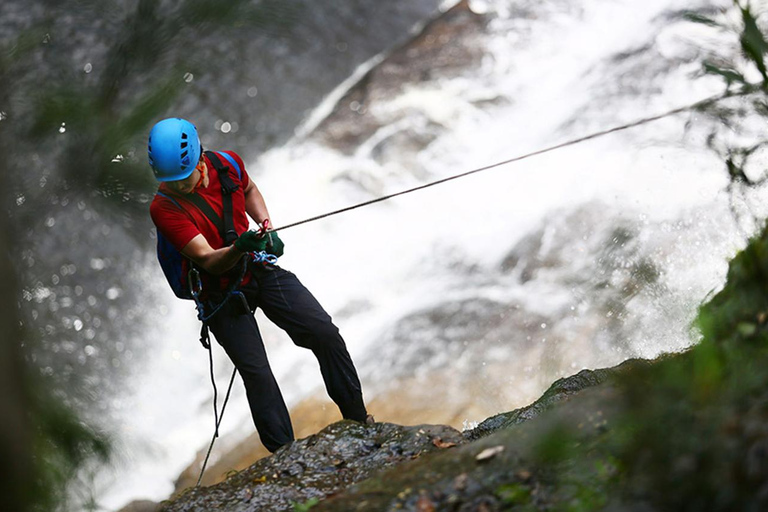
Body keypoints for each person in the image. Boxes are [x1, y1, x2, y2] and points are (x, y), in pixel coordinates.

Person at [147, 117, 371, 453]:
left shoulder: (227, 165)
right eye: (171, 181)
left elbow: (249, 189)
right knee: (257, 372)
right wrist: (240, 246)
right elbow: (207, 258)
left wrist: (266, 224)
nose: (177, 186)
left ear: (199, 159)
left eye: (184, 178)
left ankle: (359, 421)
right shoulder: (164, 207)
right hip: (218, 292)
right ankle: (284, 455)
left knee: (323, 331)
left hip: (257, 268)